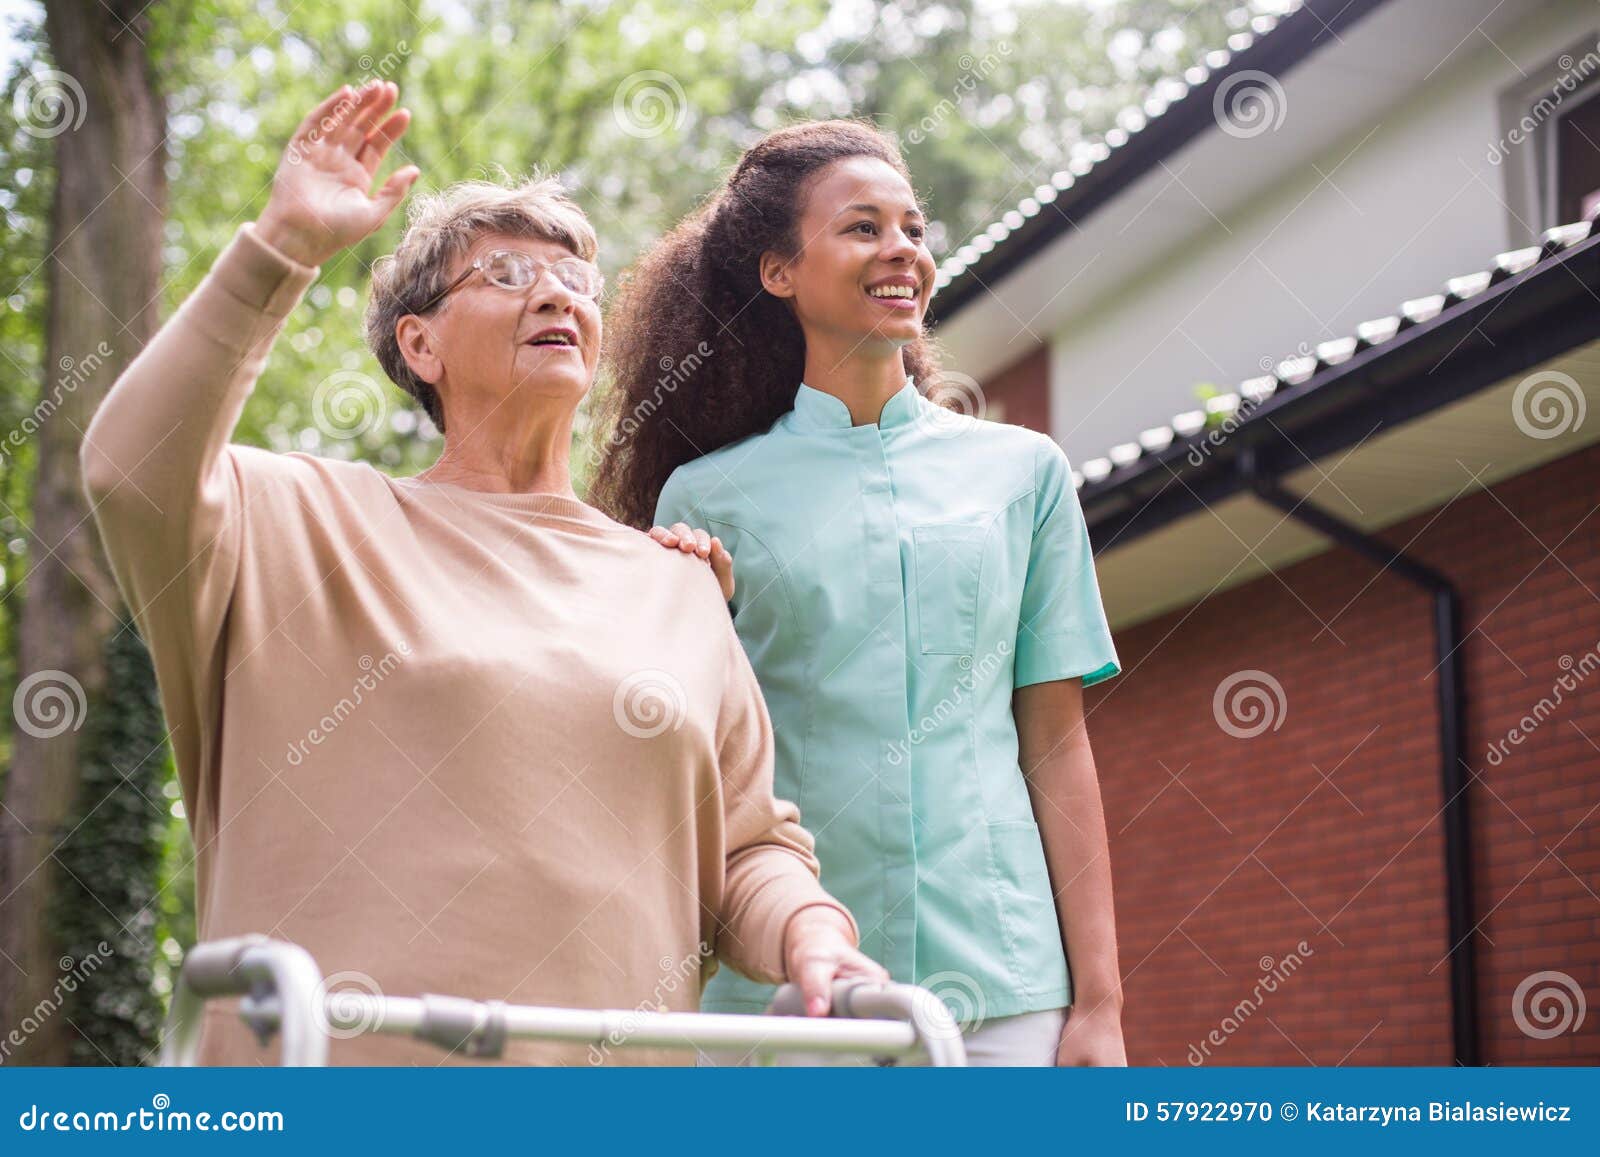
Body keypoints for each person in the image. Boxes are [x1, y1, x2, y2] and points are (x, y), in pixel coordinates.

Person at [81, 82, 884, 1066]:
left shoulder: (673, 582)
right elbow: (129, 469)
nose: (554, 295)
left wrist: (818, 941)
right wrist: (282, 244)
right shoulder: (302, 521)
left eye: (575, 281)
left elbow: (748, 848)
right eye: (504, 274)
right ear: (418, 344)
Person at [592, 119, 1127, 1066]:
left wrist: (1101, 1003)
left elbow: (1057, 738)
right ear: (778, 272)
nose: (902, 252)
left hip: (1003, 988)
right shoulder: (704, 498)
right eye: (863, 227)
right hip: (785, 997)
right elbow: (678, 757)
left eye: (913, 229)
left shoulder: (1024, 474)